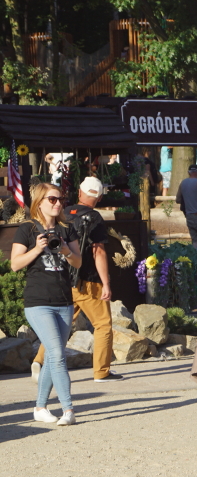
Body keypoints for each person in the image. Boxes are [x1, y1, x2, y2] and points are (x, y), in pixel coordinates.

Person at [32, 177, 124, 384]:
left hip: (64, 278)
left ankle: (39, 361)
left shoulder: (63, 213)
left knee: (59, 326)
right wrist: (106, 283)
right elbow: (98, 251)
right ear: (99, 198)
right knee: (103, 325)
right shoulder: (94, 218)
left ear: (80, 193)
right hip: (88, 281)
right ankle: (101, 372)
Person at [10, 182, 83, 425]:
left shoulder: (67, 229)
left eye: (60, 199)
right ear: (39, 202)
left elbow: (78, 262)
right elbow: (15, 264)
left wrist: (65, 251)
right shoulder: (27, 229)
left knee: (53, 356)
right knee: (57, 354)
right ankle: (68, 410)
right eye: (52, 199)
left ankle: (40, 408)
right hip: (38, 302)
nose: (58, 203)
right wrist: (37, 249)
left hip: (64, 301)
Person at [176, 164, 197, 249]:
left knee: (195, 241)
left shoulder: (183, 183)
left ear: (188, 172)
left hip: (189, 216)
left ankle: (196, 255)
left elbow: (178, 200)